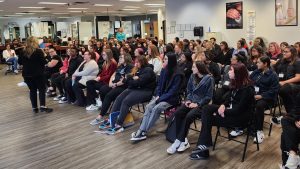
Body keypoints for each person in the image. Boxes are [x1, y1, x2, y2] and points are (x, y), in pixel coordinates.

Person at [189, 63, 255, 160]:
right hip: (231, 112)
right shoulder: (236, 83)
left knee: (208, 119)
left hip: (240, 118)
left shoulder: (247, 89)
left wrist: (222, 111)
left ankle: (203, 149)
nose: (228, 71)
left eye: (231, 70)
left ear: (238, 73)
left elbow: (238, 110)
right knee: (207, 109)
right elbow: (228, 99)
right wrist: (223, 105)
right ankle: (204, 146)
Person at [130, 53, 184, 141]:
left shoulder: (178, 74)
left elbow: (173, 91)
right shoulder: (164, 70)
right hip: (161, 96)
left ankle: (143, 131)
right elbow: (159, 85)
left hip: (172, 99)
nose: (164, 61)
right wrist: (158, 95)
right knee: (148, 106)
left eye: (166, 59)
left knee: (156, 108)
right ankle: (141, 130)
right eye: (164, 59)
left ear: (171, 61)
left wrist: (160, 98)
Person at [166, 61, 214, 154]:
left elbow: (209, 96)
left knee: (189, 116)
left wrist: (198, 104)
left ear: (199, 68)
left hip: (203, 105)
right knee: (178, 113)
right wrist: (188, 100)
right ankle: (182, 140)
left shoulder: (209, 79)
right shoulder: (192, 76)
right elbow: (189, 90)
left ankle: (178, 141)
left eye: (194, 67)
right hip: (191, 101)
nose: (192, 69)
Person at [105, 55, 156, 135]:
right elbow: (131, 79)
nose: (136, 64)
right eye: (135, 62)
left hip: (146, 91)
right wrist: (131, 78)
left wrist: (131, 79)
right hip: (136, 88)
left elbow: (139, 82)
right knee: (119, 98)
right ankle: (111, 119)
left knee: (126, 101)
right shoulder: (137, 69)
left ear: (142, 62)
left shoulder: (148, 70)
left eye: (137, 62)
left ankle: (119, 123)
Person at [89, 53, 133, 125]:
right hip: (114, 84)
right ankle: (106, 107)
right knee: (103, 90)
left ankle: (100, 116)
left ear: (126, 58)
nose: (119, 59)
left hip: (123, 87)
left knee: (109, 95)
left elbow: (125, 80)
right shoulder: (120, 66)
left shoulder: (130, 67)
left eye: (121, 58)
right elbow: (113, 75)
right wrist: (110, 83)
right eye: (120, 57)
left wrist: (115, 84)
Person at [18, 36, 53, 113]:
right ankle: (43, 107)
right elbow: (44, 62)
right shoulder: (38, 51)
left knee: (32, 90)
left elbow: (19, 62)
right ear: (35, 42)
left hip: (27, 75)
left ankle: (34, 108)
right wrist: (45, 55)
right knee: (41, 90)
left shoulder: (22, 51)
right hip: (38, 74)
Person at [250, 56, 279, 143]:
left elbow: (274, 91)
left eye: (259, 62)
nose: (257, 64)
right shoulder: (256, 72)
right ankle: (244, 125)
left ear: (265, 64)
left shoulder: (273, 75)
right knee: (244, 100)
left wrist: (262, 96)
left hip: (267, 98)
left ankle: (259, 131)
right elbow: (249, 81)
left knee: (259, 105)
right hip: (254, 95)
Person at [272, 46, 300, 124]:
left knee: (284, 89)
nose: (284, 53)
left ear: (293, 53)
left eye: (286, 51)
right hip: (281, 83)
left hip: (295, 84)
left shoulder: (297, 62)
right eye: (283, 51)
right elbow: (273, 69)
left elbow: (298, 78)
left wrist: (284, 82)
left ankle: (291, 114)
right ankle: (290, 115)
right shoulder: (281, 61)